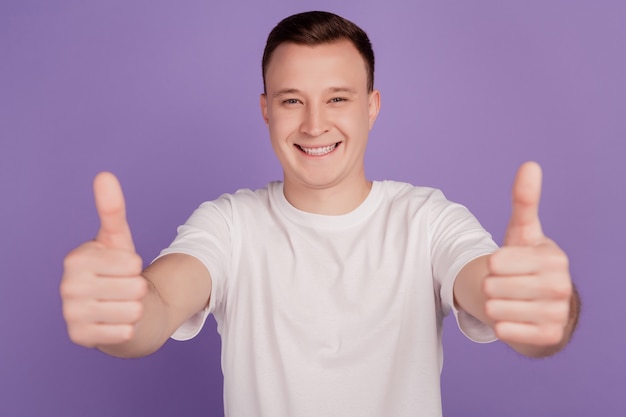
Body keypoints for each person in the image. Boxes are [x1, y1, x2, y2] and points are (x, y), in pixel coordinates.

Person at [60, 11, 580, 417]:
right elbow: (158, 307)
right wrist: (122, 316)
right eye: (291, 101)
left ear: (371, 106)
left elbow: (496, 295)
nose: (314, 124)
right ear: (265, 108)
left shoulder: (427, 219)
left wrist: (540, 313)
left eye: (337, 98)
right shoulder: (230, 225)